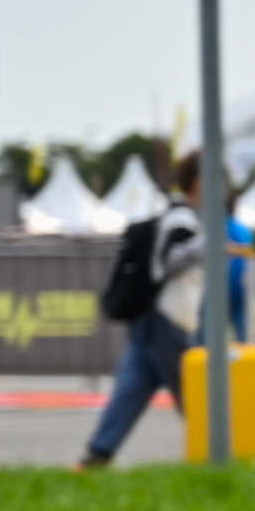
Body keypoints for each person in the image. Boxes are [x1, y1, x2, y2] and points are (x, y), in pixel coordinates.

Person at [76, 152, 207, 470]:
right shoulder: (183, 220)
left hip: (148, 321)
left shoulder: (175, 216)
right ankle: (217, 454)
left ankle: (96, 457)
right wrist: (209, 245)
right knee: (196, 396)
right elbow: (170, 261)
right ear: (199, 183)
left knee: (130, 392)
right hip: (168, 319)